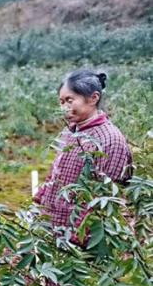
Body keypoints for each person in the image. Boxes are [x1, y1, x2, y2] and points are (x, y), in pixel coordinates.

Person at [34, 69, 132, 231]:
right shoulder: (70, 131)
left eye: (69, 100)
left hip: (81, 236)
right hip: (53, 225)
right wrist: (42, 199)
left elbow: (105, 198)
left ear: (93, 98)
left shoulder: (110, 140)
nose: (64, 108)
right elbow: (56, 172)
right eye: (61, 102)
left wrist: (78, 238)